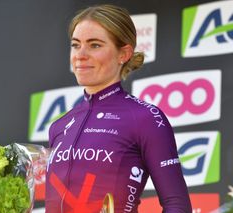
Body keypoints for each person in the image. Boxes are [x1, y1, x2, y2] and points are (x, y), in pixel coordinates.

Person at [45, 4, 192, 213]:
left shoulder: (145, 118)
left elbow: (177, 205)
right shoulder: (59, 126)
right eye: (76, 45)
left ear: (123, 54)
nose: (81, 54)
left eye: (94, 45)